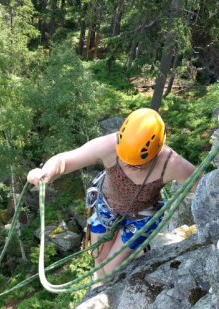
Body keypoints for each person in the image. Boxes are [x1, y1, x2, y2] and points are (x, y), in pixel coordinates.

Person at [27, 108, 199, 280]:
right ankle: (103, 285)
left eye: (137, 164)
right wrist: (46, 172)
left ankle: (132, 258)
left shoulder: (172, 164)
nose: (127, 166)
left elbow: (206, 190)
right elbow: (64, 161)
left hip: (141, 218)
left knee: (110, 270)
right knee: (98, 259)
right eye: (123, 159)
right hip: (106, 207)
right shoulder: (110, 145)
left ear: (156, 151)